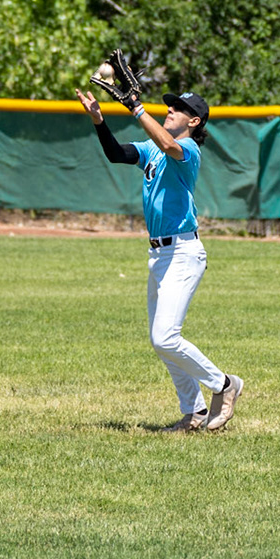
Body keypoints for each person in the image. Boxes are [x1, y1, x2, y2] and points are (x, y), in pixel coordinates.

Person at [73, 83, 245, 432]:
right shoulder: (152, 147)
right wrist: (99, 121)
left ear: (194, 121)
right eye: (170, 105)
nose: (170, 109)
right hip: (159, 254)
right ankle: (194, 412)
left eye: (178, 108)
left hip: (183, 252)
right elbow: (117, 154)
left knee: (166, 337)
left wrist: (136, 107)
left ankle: (225, 384)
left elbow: (169, 145)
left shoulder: (188, 150)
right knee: (162, 342)